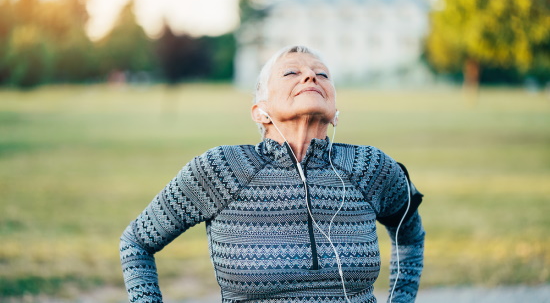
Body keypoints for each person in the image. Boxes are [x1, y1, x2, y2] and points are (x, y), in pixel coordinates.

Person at [120, 45, 425, 303]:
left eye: (322, 75)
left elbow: (410, 235)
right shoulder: (221, 168)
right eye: (292, 72)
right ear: (260, 111)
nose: (310, 76)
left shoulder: (370, 166)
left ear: (335, 112)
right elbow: (136, 242)